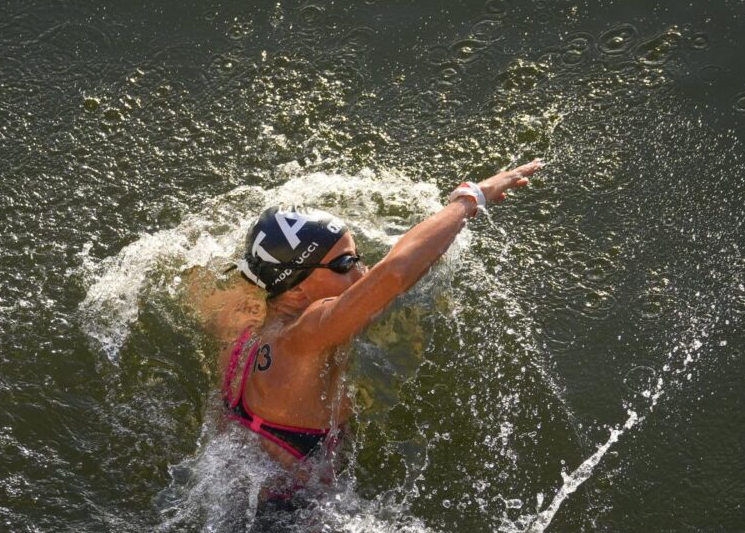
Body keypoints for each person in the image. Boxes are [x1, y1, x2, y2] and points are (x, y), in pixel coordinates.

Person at [199, 161, 543, 478]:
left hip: (242, 478)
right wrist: (470, 198)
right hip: (284, 518)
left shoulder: (241, 321)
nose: (363, 272)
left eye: (358, 257)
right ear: (296, 293)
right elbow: (393, 275)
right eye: (345, 265)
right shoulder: (306, 334)